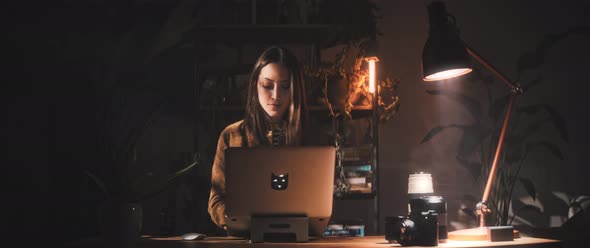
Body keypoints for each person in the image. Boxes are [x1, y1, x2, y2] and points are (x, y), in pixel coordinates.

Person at [208, 46, 309, 230]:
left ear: (296, 90)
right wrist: (245, 220)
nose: (276, 96)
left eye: (285, 87)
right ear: (255, 85)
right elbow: (215, 202)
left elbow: (321, 203)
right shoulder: (231, 135)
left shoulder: (311, 137)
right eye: (268, 86)